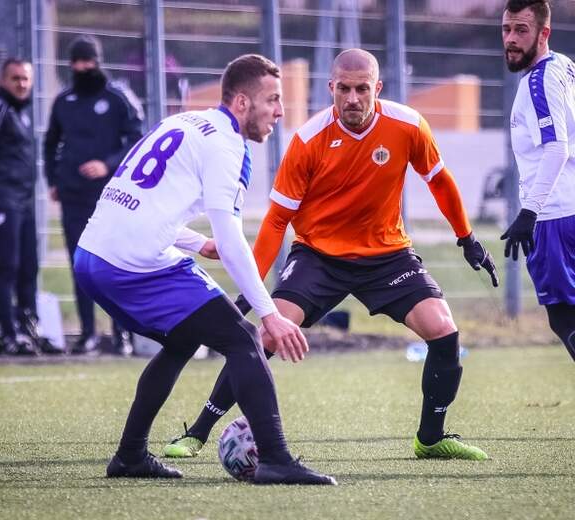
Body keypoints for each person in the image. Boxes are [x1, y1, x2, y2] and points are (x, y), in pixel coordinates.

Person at [164, 48, 499, 462]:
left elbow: (439, 181)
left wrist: (467, 238)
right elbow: (277, 221)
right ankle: (197, 433)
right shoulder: (308, 140)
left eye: (362, 89)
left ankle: (430, 439)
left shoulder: (408, 126)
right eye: (344, 89)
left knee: (444, 331)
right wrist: (253, 288)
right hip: (318, 257)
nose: (353, 98)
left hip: (388, 256)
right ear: (331, 88)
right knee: (268, 335)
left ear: (377, 88)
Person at [73, 53, 336, 484]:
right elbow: (231, 239)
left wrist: (198, 244)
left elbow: (138, 202)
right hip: (131, 264)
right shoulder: (228, 146)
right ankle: (276, 459)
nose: (280, 111)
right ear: (241, 103)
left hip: (91, 256)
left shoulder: (182, 122)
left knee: (181, 341)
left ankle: (130, 455)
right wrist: (269, 313)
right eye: (272, 99)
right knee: (245, 339)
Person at [44, 35, 143, 356]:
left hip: (111, 197)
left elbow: (137, 141)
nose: (81, 67)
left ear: (97, 62)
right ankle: (87, 333)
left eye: (86, 61)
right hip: (73, 195)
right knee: (80, 264)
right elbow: (50, 143)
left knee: (114, 262)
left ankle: (121, 333)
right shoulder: (64, 100)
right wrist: (53, 180)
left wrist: (107, 164)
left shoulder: (118, 98)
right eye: (76, 62)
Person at [501, 0, 575, 362]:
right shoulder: (564, 65)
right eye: (506, 29)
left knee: (565, 319)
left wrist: (528, 212)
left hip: (554, 217)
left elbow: (557, 149)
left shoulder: (538, 82)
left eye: (521, 30)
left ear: (544, 33)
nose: (511, 39)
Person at [0, 58, 62, 356]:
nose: (22, 84)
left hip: (23, 203)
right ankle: (8, 334)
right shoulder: (2, 108)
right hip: (4, 201)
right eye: (15, 78)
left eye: (25, 78)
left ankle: (30, 330)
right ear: (3, 80)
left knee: (28, 267)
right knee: (6, 268)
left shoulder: (20, 112)